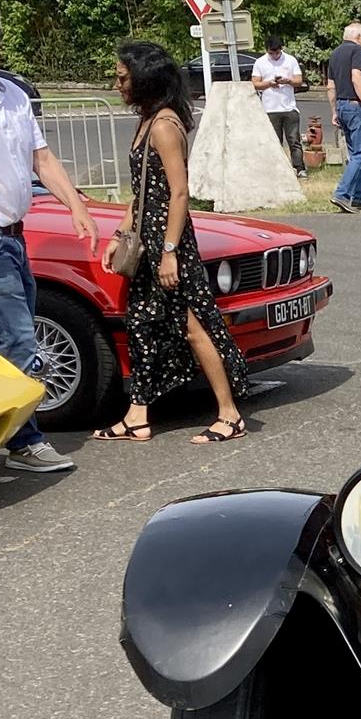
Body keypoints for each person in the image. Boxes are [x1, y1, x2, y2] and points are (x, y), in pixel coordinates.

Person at [91, 43, 249, 445]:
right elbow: (142, 193)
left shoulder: (164, 125)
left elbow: (179, 194)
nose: (118, 84)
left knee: (194, 326)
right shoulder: (147, 120)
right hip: (146, 243)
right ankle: (138, 416)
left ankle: (230, 415)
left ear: (144, 78)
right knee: (142, 325)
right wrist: (118, 236)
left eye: (123, 77)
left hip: (168, 246)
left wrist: (169, 253)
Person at [0, 0, 98, 473]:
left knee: (5, 343)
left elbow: (43, 160)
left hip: (13, 238)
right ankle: (24, 442)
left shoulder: (13, 96)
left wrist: (77, 205)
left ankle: (14, 438)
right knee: (18, 343)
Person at [326, 22, 361, 214]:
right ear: (358, 37)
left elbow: (330, 85)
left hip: (342, 105)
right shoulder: (357, 52)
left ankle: (359, 197)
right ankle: (342, 193)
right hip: (355, 106)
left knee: (355, 154)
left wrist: (334, 111)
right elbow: (356, 78)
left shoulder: (335, 53)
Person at [252, 34, 305, 179]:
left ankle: (299, 168)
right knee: (274, 142)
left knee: (294, 140)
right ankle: (277, 170)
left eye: (277, 52)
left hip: (289, 107)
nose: (275, 55)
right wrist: (269, 83)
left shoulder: (290, 60)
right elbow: (255, 83)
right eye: (271, 52)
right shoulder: (260, 62)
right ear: (267, 50)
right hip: (270, 108)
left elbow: (299, 80)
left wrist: (288, 81)